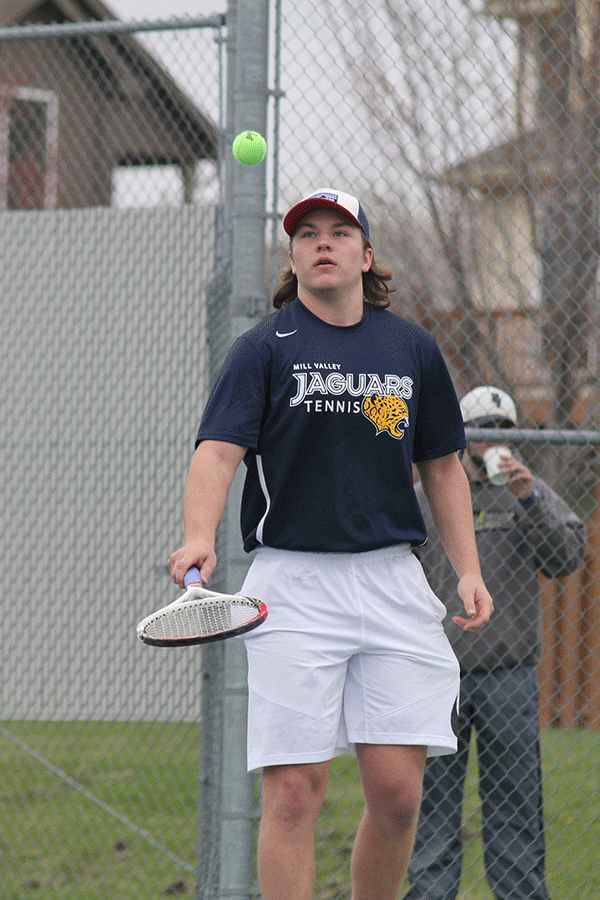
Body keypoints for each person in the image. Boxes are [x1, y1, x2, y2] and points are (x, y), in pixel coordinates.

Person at [168, 188, 494, 900]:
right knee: (293, 792)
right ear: (292, 257)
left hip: (392, 583)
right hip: (292, 587)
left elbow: (442, 465)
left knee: (399, 795)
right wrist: (199, 536)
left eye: (340, 232)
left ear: (365, 255)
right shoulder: (261, 349)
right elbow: (217, 453)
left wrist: (466, 569)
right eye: (307, 233)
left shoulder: (411, 348)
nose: (323, 242)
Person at [405, 385, 587, 900]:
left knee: (515, 802)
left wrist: (528, 496)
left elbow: (567, 556)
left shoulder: (527, 493)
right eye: (484, 431)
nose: (496, 443)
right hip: (438, 676)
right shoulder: (428, 498)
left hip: (509, 676)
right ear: (462, 438)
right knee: (433, 805)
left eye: (505, 431)